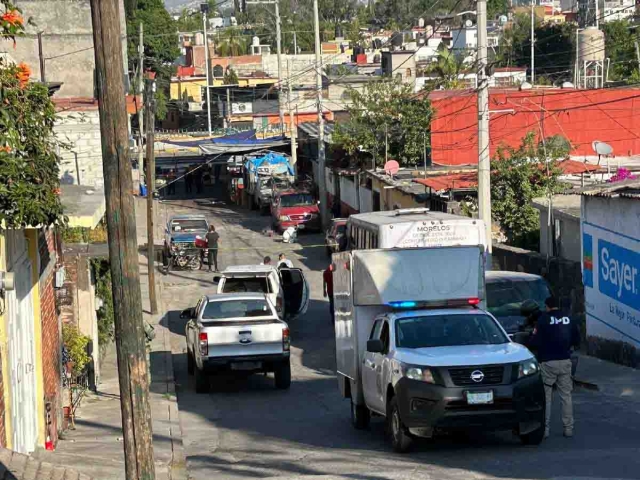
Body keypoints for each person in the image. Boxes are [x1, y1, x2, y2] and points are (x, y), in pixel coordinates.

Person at [529, 296, 580, 439]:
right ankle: (568, 428)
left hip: (548, 362)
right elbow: (576, 340)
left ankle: (545, 429)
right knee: (566, 396)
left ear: (547, 307)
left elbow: (534, 342)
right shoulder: (568, 319)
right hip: (565, 360)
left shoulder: (543, 320)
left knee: (546, 397)